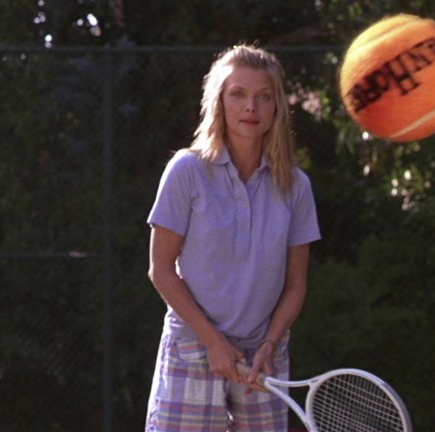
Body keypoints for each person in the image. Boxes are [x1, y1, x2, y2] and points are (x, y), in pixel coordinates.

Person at [145, 44, 321, 432]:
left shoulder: (296, 186)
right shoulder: (186, 171)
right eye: (238, 94)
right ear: (219, 101)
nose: (250, 108)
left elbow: (296, 285)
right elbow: (161, 270)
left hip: (263, 356)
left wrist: (269, 345)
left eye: (263, 97)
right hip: (193, 346)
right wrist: (212, 342)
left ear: (277, 107)